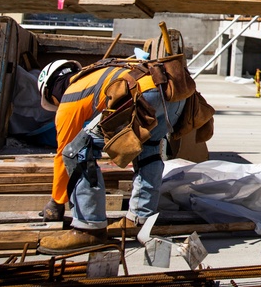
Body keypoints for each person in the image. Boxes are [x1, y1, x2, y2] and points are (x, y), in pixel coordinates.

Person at [35, 58, 188, 254]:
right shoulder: (96, 74)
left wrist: (57, 202)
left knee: (77, 151)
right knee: (148, 148)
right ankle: (140, 219)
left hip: (142, 94)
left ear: (51, 91)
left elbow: (66, 152)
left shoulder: (71, 95)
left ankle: (88, 228)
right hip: (174, 94)